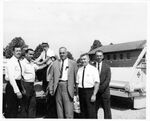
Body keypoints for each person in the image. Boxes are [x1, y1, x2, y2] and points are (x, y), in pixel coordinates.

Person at [47, 47, 78, 118]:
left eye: (63, 53)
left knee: (68, 109)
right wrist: (51, 89)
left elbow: (76, 78)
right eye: (60, 53)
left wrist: (76, 90)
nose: (62, 54)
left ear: (66, 53)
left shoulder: (73, 63)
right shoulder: (55, 63)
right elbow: (51, 78)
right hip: (57, 87)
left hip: (67, 86)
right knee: (59, 108)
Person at [21, 48, 47, 118]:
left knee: (33, 104)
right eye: (30, 54)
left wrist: (47, 63)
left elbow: (39, 67)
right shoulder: (22, 63)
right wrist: (23, 88)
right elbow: (21, 77)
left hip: (32, 85)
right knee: (25, 105)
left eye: (32, 54)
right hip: (25, 85)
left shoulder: (32, 63)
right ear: (26, 54)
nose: (31, 56)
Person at [76, 53, 100, 119]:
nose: (83, 61)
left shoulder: (93, 69)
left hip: (89, 92)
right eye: (81, 59)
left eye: (84, 59)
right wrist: (77, 94)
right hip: (81, 92)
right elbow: (77, 83)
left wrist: (94, 94)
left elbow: (97, 83)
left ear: (88, 59)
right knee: (83, 112)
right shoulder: (79, 70)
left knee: (91, 112)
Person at [5, 45, 25, 118]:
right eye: (17, 51)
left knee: (16, 109)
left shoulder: (19, 61)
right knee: (11, 109)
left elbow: (20, 76)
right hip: (12, 85)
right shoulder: (11, 62)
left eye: (20, 51)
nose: (19, 52)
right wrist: (17, 91)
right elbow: (11, 78)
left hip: (18, 84)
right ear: (13, 52)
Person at [94, 50, 112, 119]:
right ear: (95, 56)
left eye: (100, 56)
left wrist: (100, 88)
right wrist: (96, 90)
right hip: (95, 93)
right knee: (94, 111)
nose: (99, 57)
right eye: (97, 56)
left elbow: (108, 79)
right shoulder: (92, 66)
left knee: (107, 111)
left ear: (103, 56)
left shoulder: (107, 67)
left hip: (105, 92)